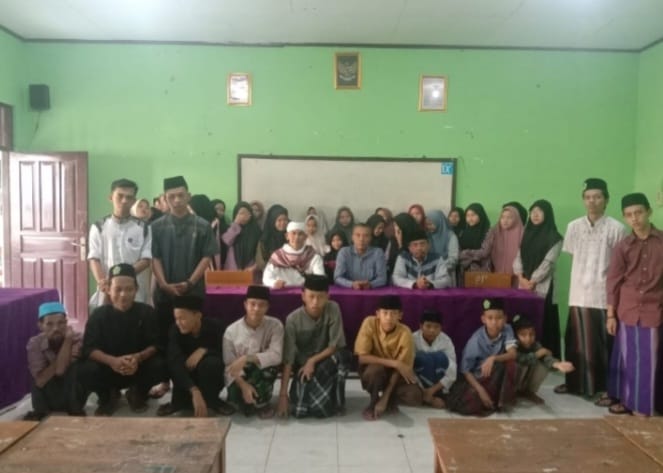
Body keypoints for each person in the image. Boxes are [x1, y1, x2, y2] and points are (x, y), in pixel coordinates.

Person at [555, 178, 628, 401]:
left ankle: (605, 388)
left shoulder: (617, 228)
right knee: (576, 342)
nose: (592, 201)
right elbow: (573, 254)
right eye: (588, 197)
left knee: (603, 344)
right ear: (583, 200)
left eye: (597, 197)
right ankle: (575, 384)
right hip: (578, 293)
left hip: (603, 294)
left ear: (606, 200)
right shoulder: (573, 227)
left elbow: (619, 265)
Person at [151, 175, 219, 398]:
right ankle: (165, 382)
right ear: (165, 198)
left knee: (191, 338)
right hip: (165, 292)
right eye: (172, 197)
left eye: (181, 195)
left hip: (193, 291)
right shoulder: (156, 227)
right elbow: (155, 257)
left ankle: (191, 386)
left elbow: (207, 257)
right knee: (165, 339)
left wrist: (190, 282)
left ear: (188, 196)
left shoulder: (202, 226)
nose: (177, 200)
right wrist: (163, 283)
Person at [78, 264, 167, 416]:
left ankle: (137, 393)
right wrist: (112, 361)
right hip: (108, 368)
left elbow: (157, 344)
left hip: (138, 368)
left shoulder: (147, 312)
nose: (123, 294)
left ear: (136, 289)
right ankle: (107, 396)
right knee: (86, 369)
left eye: (129, 289)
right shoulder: (98, 315)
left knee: (161, 364)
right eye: (118, 289)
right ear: (108, 289)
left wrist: (138, 357)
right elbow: (89, 349)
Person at [606, 193, 663, 416]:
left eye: (639, 212)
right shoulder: (623, 246)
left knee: (648, 361)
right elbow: (613, 281)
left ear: (649, 211)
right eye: (629, 215)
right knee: (626, 358)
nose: (634, 218)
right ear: (624, 217)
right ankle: (626, 401)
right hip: (627, 309)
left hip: (653, 309)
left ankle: (642, 407)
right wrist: (611, 315)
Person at [277, 275, 350, 418]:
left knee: (343, 356)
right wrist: (283, 395)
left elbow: (335, 345)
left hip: (328, 360)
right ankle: (324, 395)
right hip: (303, 366)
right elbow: (288, 359)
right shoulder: (292, 320)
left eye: (320, 297)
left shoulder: (333, 308)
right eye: (311, 296)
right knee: (300, 409)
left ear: (327, 297)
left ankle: (337, 401)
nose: (315, 302)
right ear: (303, 296)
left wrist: (313, 361)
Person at [157, 296, 235, 417]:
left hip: (207, 375)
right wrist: (194, 390)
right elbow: (174, 361)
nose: (178, 323)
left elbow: (226, 354)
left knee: (213, 363)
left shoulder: (216, 327)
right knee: (175, 362)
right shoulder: (175, 330)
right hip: (185, 377)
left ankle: (213, 401)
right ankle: (179, 402)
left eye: (182, 318)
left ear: (198, 316)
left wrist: (205, 350)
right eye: (176, 318)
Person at [355, 295, 423, 420]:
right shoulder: (369, 323)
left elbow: (401, 369)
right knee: (375, 370)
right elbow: (361, 357)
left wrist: (385, 398)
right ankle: (373, 400)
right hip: (373, 370)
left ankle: (389, 398)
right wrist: (394, 363)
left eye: (393, 313)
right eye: (385, 313)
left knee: (415, 396)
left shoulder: (405, 332)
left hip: (394, 375)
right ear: (377, 314)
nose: (389, 318)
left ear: (400, 316)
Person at [446, 298, 518, 416]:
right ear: (483, 319)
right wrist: (481, 391)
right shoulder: (476, 340)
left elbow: (513, 354)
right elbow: (465, 371)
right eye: (490, 318)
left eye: (499, 318)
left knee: (510, 364)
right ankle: (488, 398)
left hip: (494, 374)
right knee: (471, 400)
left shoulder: (507, 329)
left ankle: (500, 401)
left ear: (505, 318)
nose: (494, 322)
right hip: (478, 378)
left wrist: (493, 358)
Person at [88, 178, 152, 307]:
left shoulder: (144, 228)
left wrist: (122, 276)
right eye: (120, 196)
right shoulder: (99, 227)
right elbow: (94, 258)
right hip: (107, 289)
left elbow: (146, 260)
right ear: (111, 197)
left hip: (135, 290)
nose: (124, 201)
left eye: (129, 197)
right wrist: (103, 281)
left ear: (134, 201)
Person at [223, 285, 284, 418]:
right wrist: (243, 385)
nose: (256, 309)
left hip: (260, 372)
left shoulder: (275, 326)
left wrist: (246, 358)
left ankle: (262, 403)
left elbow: (277, 356)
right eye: (252, 304)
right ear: (245, 304)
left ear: (267, 307)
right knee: (237, 399)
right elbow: (229, 365)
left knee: (270, 369)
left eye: (261, 305)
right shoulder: (231, 331)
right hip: (239, 375)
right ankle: (251, 400)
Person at [513, 200, 564, 358]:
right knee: (526, 319)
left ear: (547, 214)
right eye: (533, 211)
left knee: (544, 320)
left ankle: (546, 358)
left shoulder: (555, 237)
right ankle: (525, 356)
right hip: (524, 284)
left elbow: (548, 263)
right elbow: (518, 256)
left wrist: (533, 281)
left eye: (539, 211)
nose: (535, 214)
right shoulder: (526, 234)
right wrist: (520, 277)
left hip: (544, 287)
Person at [24, 302, 85, 420]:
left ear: (66, 323)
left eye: (60, 323)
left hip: (71, 393)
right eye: (49, 324)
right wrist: (67, 344)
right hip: (47, 394)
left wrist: (68, 341)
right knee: (36, 374)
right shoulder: (35, 343)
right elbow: (41, 381)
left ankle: (76, 410)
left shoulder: (77, 338)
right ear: (40, 326)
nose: (56, 328)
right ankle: (41, 413)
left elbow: (61, 371)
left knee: (78, 368)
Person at [511, 314, 574, 405]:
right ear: (516, 336)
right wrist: (539, 354)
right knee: (519, 364)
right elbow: (522, 359)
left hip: (525, 379)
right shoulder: (512, 346)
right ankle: (512, 392)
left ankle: (528, 391)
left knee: (542, 365)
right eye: (523, 335)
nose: (528, 338)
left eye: (532, 334)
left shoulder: (535, 345)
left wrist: (557, 364)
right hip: (512, 383)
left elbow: (546, 358)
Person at [412, 309, 457, 409]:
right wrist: (425, 393)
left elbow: (452, 372)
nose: (432, 330)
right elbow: (409, 369)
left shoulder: (446, 341)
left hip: (439, 384)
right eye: (428, 326)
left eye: (436, 327)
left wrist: (431, 391)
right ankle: (427, 398)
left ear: (441, 328)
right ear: (421, 326)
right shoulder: (412, 339)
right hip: (418, 384)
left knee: (440, 357)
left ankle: (431, 396)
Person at [461, 204, 523, 275]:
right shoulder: (463, 232)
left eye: (473, 215)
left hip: (482, 271)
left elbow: (485, 252)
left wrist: (463, 254)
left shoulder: (488, 231)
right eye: (467, 215)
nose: (470, 218)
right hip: (464, 270)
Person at [263, 221, 325, 288]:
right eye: (293, 233)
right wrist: (274, 283)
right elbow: (266, 278)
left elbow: (320, 278)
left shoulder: (313, 256)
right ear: (287, 236)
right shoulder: (277, 256)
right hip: (282, 291)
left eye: (300, 234)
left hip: (305, 291)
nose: (297, 237)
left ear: (306, 237)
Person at [334, 224, 387, 289]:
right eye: (358, 235)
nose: (361, 239)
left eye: (366, 236)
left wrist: (371, 284)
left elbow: (382, 278)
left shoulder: (378, 253)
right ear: (352, 237)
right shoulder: (344, 252)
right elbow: (337, 277)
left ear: (370, 238)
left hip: (372, 291)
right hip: (349, 291)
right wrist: (351, 284)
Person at [221, 201, 262, 271]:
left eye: (245, 213)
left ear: (250, 214)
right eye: (240, 213)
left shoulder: (256, 230)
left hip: (251, 269)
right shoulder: (231, 227)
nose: (243, 216)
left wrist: (254, 267)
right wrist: (236, 223)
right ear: (235, 215)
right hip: (233, 269)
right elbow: (227, 241)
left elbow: (260, 253)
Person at [426, 210, 459, 284]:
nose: (429, 227)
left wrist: (438, 268)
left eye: (431, 224)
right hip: (428, 275)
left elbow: (453, 258)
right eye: (427, 224)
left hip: (446, 274)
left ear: (439, 222)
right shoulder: (427, 236)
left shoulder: (451, 236)